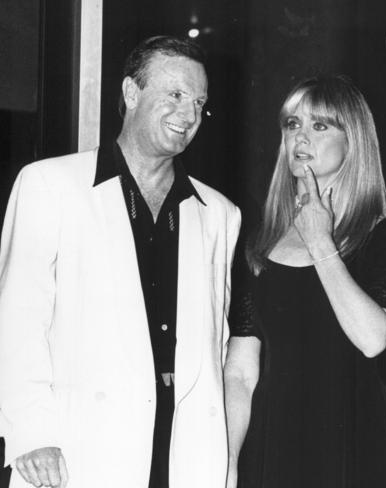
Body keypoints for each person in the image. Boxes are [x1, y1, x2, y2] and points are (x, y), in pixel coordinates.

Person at [0, 36, 240, 488]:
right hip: (77, 454)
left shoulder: (221, 215)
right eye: (175, 94)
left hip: (183, 457)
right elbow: (16, 321)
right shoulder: (49, 186)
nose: (189, 115)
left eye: (199, 102)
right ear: (131, 93)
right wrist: (31, 433)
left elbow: (217, 347)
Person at [224, 75, 386, 488]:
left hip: (356, 441)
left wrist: (320, 242)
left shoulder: (384, 235)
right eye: (292, 124)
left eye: (319, 125)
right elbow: (239, 371)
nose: (300, 137)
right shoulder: (260, 243)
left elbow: (373, 339)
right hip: (274, 439)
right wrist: (229, 460)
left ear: (353, 140)